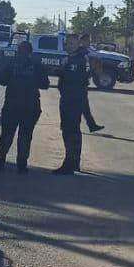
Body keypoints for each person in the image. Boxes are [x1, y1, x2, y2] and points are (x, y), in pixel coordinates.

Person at [0, 40, 50, 173]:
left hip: (12, 104)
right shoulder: (36, 65)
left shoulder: (11, 63)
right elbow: (45, 84)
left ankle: (0, 161)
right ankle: (21, 165)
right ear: (31, 52)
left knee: (7, 134)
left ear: (18, 51)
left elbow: (2, 80)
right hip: (31, 106)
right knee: (25, 136)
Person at [53, 34, 89, 175]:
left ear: (78, 44)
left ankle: (69, 163)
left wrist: (62, 72)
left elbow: (74, 78)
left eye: (72, 44)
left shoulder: (77, 59)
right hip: (70, 98)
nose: (68, 46)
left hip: (72, 100)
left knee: (70, 131)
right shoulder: (72, 58)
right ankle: (74, 162)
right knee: (72, 130)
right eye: (67, 44)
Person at [78, 34, 105, 133]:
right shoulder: (81, 52)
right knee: (80, 107)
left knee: (85, 107)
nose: (89, 43)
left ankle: (92, 125)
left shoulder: (85, 52)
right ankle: (90, 125)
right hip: (78, 85)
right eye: (88, 41)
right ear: (82, 41)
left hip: (83, 84)